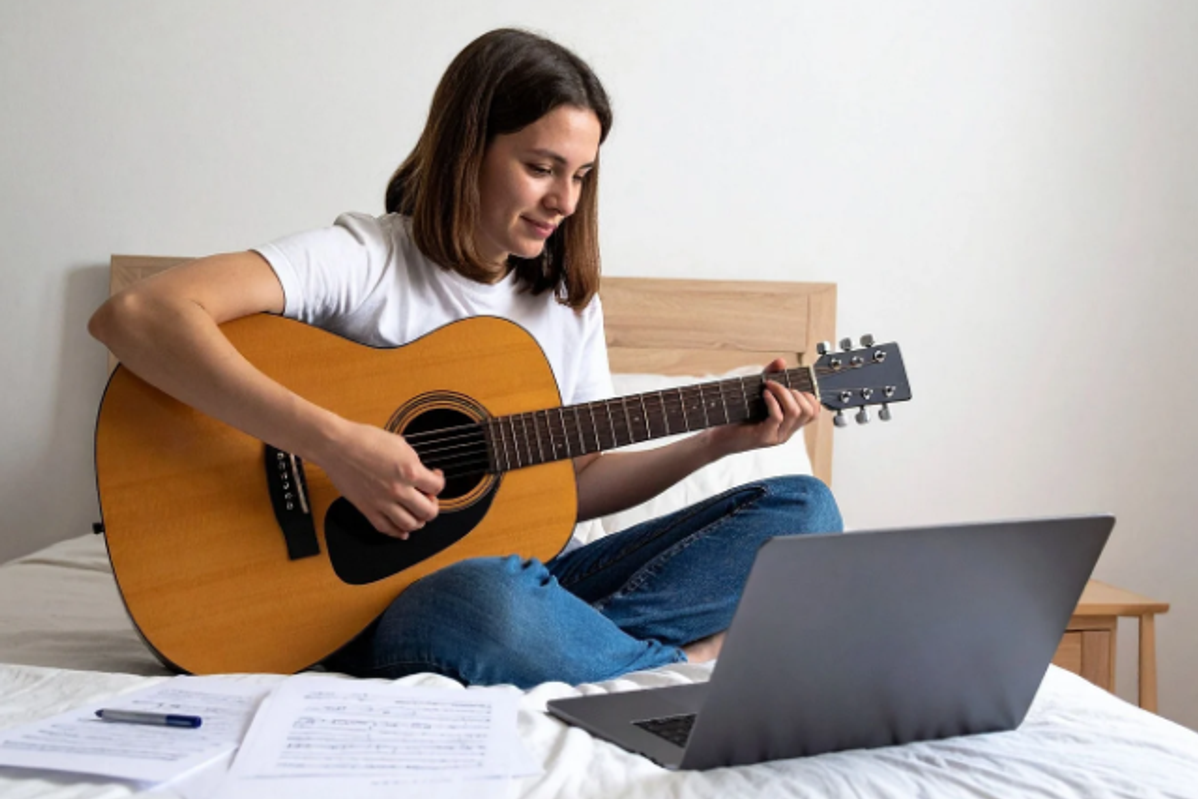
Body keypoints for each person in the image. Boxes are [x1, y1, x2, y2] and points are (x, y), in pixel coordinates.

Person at [88, 28, 842, 689]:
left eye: (581, 175)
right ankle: (673, 663)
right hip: (385, 599)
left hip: (537, 579)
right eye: (543, 167)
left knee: (804, 512)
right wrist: (333, 443)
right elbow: (139, 314)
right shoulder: (369, 258)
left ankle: (603, 651)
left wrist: (716, 442)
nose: (566, 201)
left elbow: (575, 486)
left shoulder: (566, 302)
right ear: (468, 147)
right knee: (486, 600)